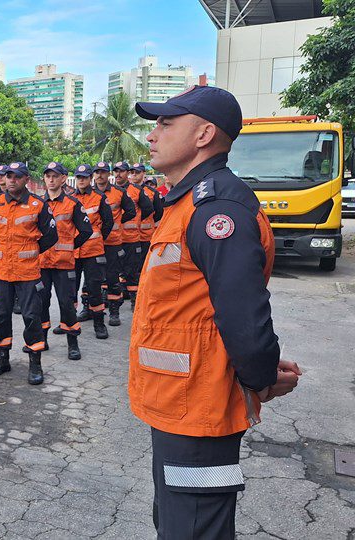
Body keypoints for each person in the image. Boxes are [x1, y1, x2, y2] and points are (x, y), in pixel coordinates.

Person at [130, 85, 300, 539]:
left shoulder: (214, 208)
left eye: (166, 123)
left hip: (199, 408)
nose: (153, 134)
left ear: (204, 134)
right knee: (175, 521)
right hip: (180, 402)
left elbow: (244, 314)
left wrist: (260, 375)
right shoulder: (187, 202)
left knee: (194, 529)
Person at [0, 162, 57, 384]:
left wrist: (30, 252)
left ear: (26, 179)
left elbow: (50, 236)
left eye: (16, 176)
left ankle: (35, 363)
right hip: (0, 272)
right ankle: (2, 358)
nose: (11, 180)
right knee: (1, 316)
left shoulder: (38, 205)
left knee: (32, 317)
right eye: (8, 176)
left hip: (28, 273)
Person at [38, 163, 92, 360]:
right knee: (41, 303)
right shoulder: (37, 204)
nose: (51, 180)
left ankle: (72, 343)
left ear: (63, 179)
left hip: (64, 264)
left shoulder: (73, 204)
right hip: (42, 264)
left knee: (66, 304)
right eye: (48, 176)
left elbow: (86, 231)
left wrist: (69, 245)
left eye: (55, 176)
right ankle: (42, 339)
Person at [72, 164, 115, 340]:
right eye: (78, 177)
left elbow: (108, 222)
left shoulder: (99, 198)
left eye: (84, 177)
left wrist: (97, 239)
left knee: (94, 288)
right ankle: (69, 323)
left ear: (90, 178)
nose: (81, 180)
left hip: (93, 250)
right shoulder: (70, 198)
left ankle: (99, 324)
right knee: (70, 289)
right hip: (73, 251)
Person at [93, 161, 136, 327]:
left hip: (113, 242)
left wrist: (116, 220)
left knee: (112, 277)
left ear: (107, 174)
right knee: (94, 279)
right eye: (97, 172)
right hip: (94, 244)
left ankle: (114, 312)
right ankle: (91, 309)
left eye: (103, 172)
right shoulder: (87, 194)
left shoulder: (118, 192)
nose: (100, 175)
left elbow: (131, 211)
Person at [112, 160, 154, 307]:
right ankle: (113, 301)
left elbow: (149, 209)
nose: (118, 174)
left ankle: (135, 301)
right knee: (113, 271)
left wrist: (135, 220)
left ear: (127, 173)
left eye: (121, 171)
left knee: (132, 270)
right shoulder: (109, 191)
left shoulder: (136, 190)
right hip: (114, 238)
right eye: (116, 171)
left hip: (131, 238)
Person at [131, 162, 164, 269]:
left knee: (144, 266)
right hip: (129, 236)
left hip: (145, 236)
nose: (134, 174)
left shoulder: (152, 192)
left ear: (143, 173)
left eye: (137, 172)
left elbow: (158, 213)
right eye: (132, 172)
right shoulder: (126, 191)